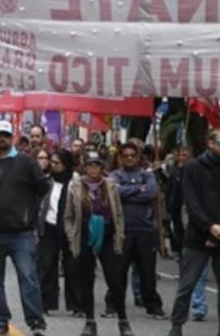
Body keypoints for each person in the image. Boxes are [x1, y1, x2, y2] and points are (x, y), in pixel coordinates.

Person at [0, 121, 50, 336]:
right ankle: (1, 322)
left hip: (20, 234)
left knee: (29, 278)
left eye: (5, 135)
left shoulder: (26, 162)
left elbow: (42, 188)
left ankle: (36, 323)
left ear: (12, 137)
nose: (2, 139)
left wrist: (28, 214)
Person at [168, 129, 220, 336]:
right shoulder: (193, 168)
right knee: (187, 284)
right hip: (197, 236)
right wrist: (208, 226)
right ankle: (176, 326)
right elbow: (191, 202)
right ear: (210, 144)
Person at [64, 152, 133, 336]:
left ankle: (123, 321)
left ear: (102, 168)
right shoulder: (75, 186)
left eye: (97, 165)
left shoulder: (110, 185)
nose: (94, 169)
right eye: (90, 165)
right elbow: (68, 216)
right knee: (86, 280)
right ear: (84, 167)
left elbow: (118, 212)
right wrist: (72, 237)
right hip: (85, 235)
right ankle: (90, 321)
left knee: (115, 280)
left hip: (108, 235)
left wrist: (120, 234)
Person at [108, 142, 166, 318]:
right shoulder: (114, 175)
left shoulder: (147, 175)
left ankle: (153, 305)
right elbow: (114, 192)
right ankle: (113, 304)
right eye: (125, 155)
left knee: (147, 272)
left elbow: (151, 193)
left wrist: (129, 191)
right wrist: (137, 189)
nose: (129, 158)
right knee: (118, 271)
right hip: (122, 230)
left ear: (139, 157)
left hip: (145, 229)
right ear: (120, 157)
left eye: (133, 155)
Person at [37, 149, 80, 315]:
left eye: (57, 163)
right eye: (52, 162)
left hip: (70, 228)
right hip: (49, 227)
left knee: (73, 267)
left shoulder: (76, 182)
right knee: (47, 266)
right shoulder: (47, 182)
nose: (52, 165)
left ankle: (76, 305)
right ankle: (46, 303)